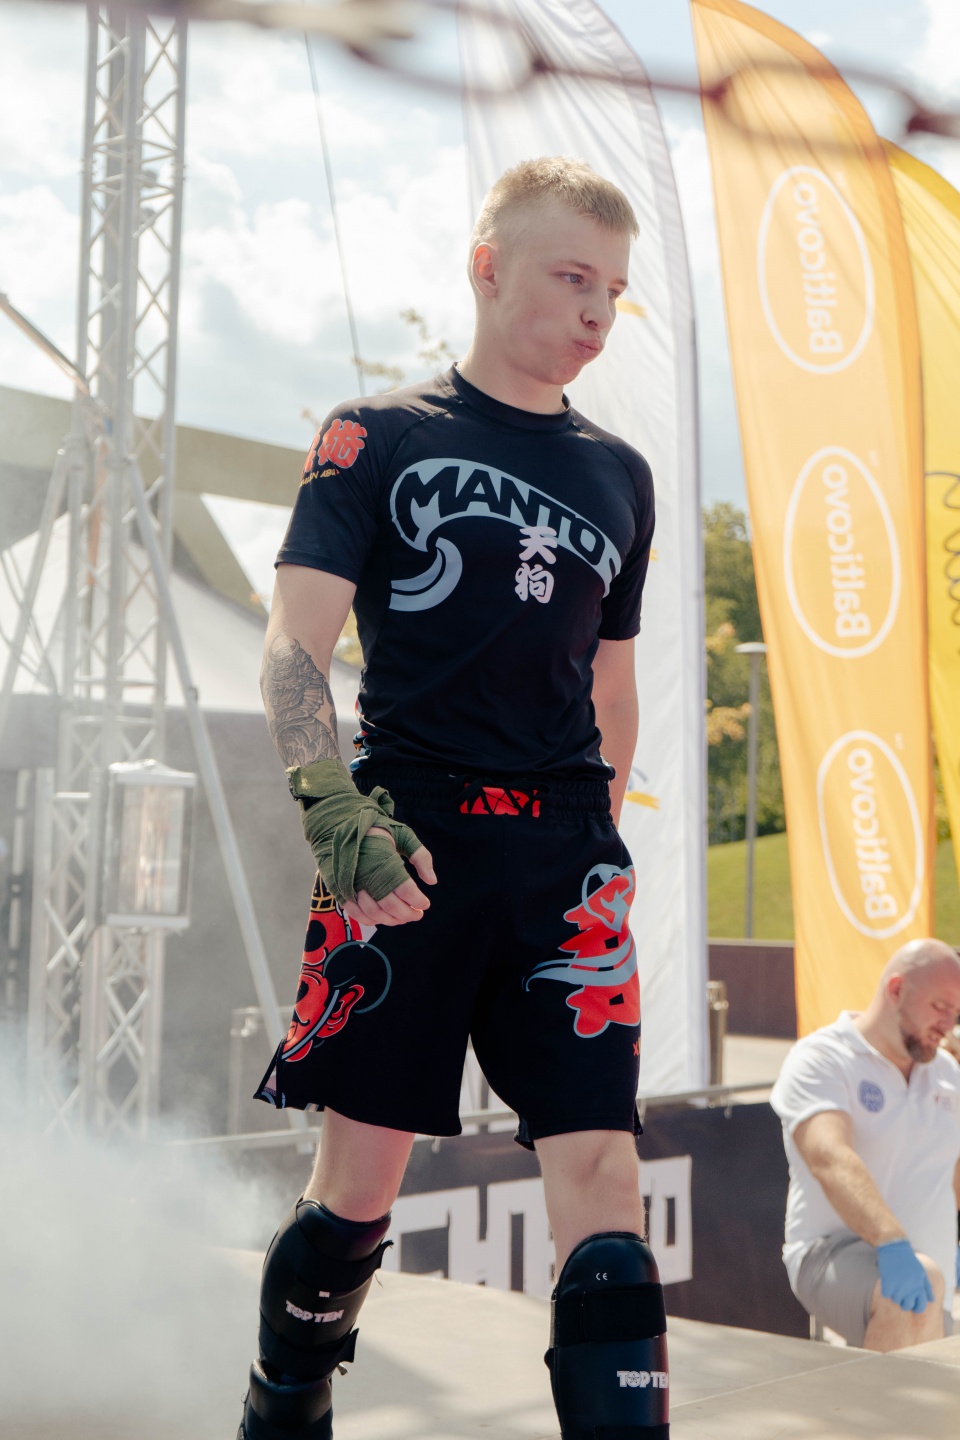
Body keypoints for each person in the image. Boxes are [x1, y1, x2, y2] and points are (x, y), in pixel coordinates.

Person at [238, 157, 671, 1440]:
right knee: (355, 1197)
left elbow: (612, 685)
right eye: (572, 277)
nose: (597, 311)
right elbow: (292, 644)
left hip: (564, 865)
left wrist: (600, 842)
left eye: (615, 290)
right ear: (488, 269)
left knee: (606, 1194)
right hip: (403, 847)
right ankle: (282, 1407)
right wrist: (332, 808)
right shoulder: (374, 436)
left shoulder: (622, 475)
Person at [770, 938, 960, 1352]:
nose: (948, 1024)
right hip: (831, 1252)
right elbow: (829, 1158)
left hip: (934, 1275)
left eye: (956, 1013)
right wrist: (892, 1243)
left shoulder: (947, 1072)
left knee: (926, 1375)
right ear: (896, 989)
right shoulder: (823, 1057)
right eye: (940, 1007)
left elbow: (954, 1175)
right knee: (916, 1295)